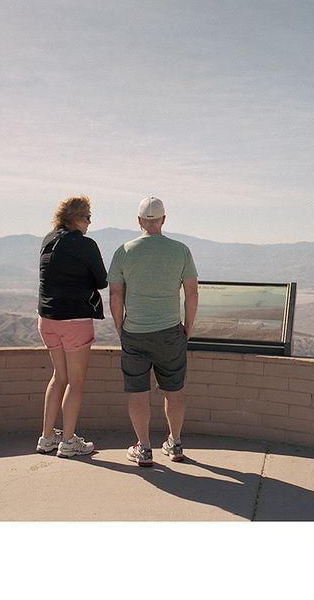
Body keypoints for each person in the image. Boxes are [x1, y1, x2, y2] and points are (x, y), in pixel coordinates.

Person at [108, 196, 199, 466]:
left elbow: (115, 294)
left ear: (139, 221)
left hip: (134, 332)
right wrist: (188, 327)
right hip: (171, 331)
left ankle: (144, 448)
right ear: (164, 220)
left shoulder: (124, 251)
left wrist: (119, 326)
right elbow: (192, 293)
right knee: (174, 389)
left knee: (138, 391)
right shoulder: (180, 250)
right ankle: (176, 442)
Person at [36, 195, 107, 457]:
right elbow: (102, 280)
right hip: (75, 320)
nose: (89, 222)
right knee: (76, 383)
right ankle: (68, 442)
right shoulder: (86, 245)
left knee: (58, 377)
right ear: (76, 217)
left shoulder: (48, 240)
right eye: (87, 217)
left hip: (47, 319)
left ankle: (46, 438)